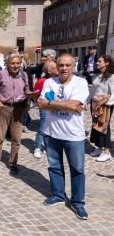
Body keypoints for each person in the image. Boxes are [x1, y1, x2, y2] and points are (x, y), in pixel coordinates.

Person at [38, 54, 89, 220]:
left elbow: (75, 104)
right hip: (51, 133)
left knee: (78, 169)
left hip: (73, 135)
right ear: (56, 66)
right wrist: (66, 105)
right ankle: (59, 194)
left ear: (73, 66)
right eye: (61, 65)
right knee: (54, 166)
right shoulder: (49, 82)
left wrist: (51, 104)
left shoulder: (80, 83)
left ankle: (78, 202)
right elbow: (41, 104)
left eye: (68, 65)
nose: (64, 68)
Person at [0, 53, 31, 175]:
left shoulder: (24, 75)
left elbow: (26, 89)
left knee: (16, 138)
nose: (16, 66)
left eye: (18, 63)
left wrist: (30, 93)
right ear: (7, 64)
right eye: (13, 63)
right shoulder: (2, 74)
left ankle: (13, 163)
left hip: (18, 109)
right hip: (4, 108)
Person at [89, 55, 114, 162]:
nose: (97, 63)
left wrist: (106, 103)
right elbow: (92, 90)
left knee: (104, 126)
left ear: (107, 63)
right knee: (96, 126)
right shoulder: (96, 75)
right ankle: (99, 147)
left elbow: (113, 93)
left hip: (105, 105)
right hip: (94, 104)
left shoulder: (111, 77)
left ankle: (106, 151)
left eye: (99, 61)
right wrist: (87, 101)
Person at [32, 60, 58, 159]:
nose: (58, 69)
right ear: (49, 71)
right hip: (45, 108)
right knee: (43, 127)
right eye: (55, 67)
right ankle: (37, 147)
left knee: (52, 129)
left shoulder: (58, 80)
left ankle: (49, 148)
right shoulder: (41, 81)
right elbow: (35, 95)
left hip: (55, 107)